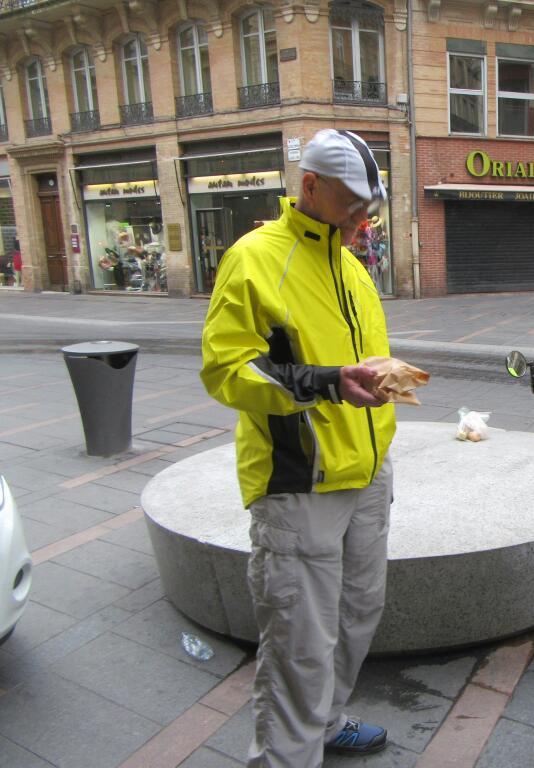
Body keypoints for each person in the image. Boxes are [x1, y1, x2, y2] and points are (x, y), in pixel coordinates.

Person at [200, 129, 395, 768]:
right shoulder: (254, 258)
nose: (362, 220)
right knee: (298, 643)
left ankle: (327, 723)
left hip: (367, 472)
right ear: (309, 186)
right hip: (299, 478)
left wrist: (379, 380)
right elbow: (227, 371)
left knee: (359, 612)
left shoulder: (351, 265)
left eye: (369, 208)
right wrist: (328, 382)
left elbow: (352, 359)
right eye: (353, 205)